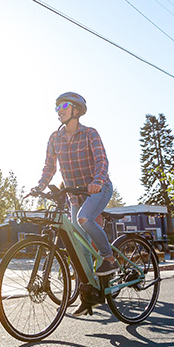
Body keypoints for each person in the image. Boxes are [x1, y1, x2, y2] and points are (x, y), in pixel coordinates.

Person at [31, 92, 118, 316]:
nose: (60, 109)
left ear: (76, 111)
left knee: (84, 218)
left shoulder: (90, 134)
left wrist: (98, 181)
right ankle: (91, 293)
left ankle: (109, 258)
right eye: (57, 106)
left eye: (65, 105)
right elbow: (49, 167)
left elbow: (102, 161)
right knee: (80, 246)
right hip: (74, 196)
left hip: (98, 189)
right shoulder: (54, 138)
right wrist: (39, 187)